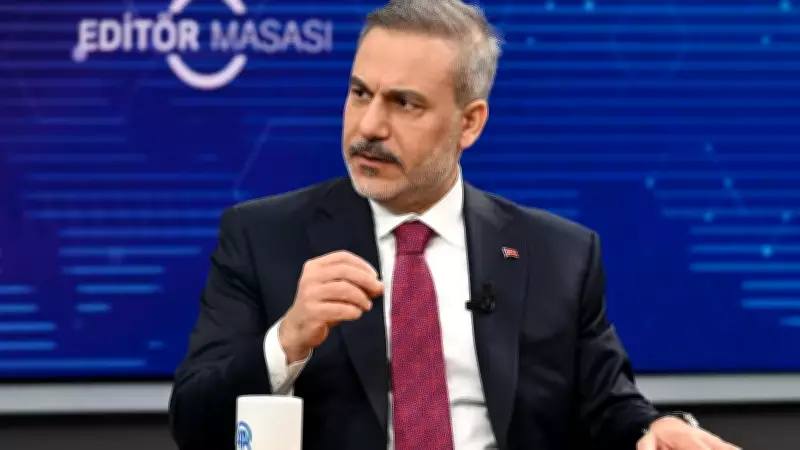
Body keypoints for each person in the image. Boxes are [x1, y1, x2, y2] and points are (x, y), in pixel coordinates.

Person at [168, 1, 740, 449]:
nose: (369, 127)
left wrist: (653, 429)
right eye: (360, 93)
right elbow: (193, 423)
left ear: (470, 123)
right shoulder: (264, 237)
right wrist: (287, 340)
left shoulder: (558, 254)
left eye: (405, 104)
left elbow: (609, 405)